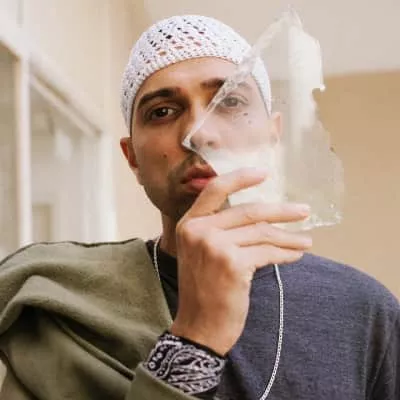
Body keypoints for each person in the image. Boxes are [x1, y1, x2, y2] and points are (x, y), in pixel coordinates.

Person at [0, 15, 398, 400]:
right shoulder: (62, 307)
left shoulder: (363, 311)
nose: (199, 133)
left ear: (272, 137)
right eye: (162, 112)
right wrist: (195, 339)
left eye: (230, 102)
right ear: (133, 158)